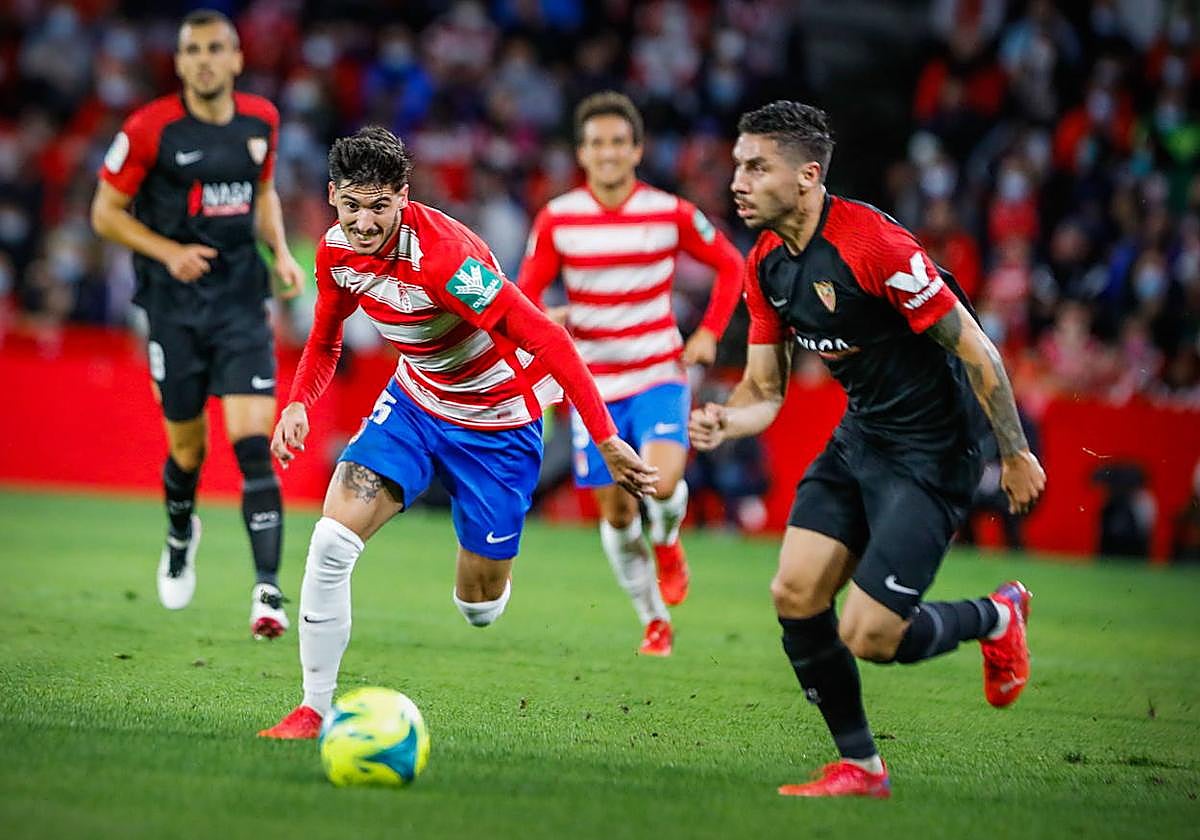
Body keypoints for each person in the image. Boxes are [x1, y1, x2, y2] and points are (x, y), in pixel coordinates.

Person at [689, 101, 1046, 797]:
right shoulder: (765, 265)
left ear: (807, 177)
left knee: (872, 636)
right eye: (736, 164)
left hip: (932, 455)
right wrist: (727, 422)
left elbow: (977, 348)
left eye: (756, 166)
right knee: (794, 592)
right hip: (861, 439)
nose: (737, 180)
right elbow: (765, 388)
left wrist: (1014, 452)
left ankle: (997, 614)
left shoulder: (875, 247)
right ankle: (862, 767)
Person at [257, 126, 656, 739]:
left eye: (379, 206)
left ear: (403, 196)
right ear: (334, 197)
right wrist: (297, 403)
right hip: (415, 403)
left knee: (479, 607)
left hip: (498, 425)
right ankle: (314, 708)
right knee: (331, 543)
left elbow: (547, 337)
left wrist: (603, 436)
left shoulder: (445, 259)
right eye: (352, 205)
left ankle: (487, 554)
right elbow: (326, 338)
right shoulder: (336, 252)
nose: (364, 222)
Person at [90, 9, 305, 638]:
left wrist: (282, 253)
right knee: (188, 450)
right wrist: (167, 252)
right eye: (193, 50)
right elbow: (104, 212)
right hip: (173, 308)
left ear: (237, 58)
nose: (205, 59)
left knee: (250, 447)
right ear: (179, 62)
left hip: (241, 301)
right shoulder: (150, 129)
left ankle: (268, 593)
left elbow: (262, 193)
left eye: (216, 49)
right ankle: (181, 530)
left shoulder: (261, 120)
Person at [517, 92, 744, 656]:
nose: (608, 153)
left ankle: (667, 541)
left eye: (619, 141)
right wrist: (550, 317)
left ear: (637, 149)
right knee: (617, 513)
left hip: (658, 373)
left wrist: (711, 331)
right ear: (582, 153)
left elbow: (730, 264)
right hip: (591, 385)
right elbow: (523, 297)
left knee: (661, 483)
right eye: (597, 143)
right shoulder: (558, 219)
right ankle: (653, 619)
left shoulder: (669, 212)